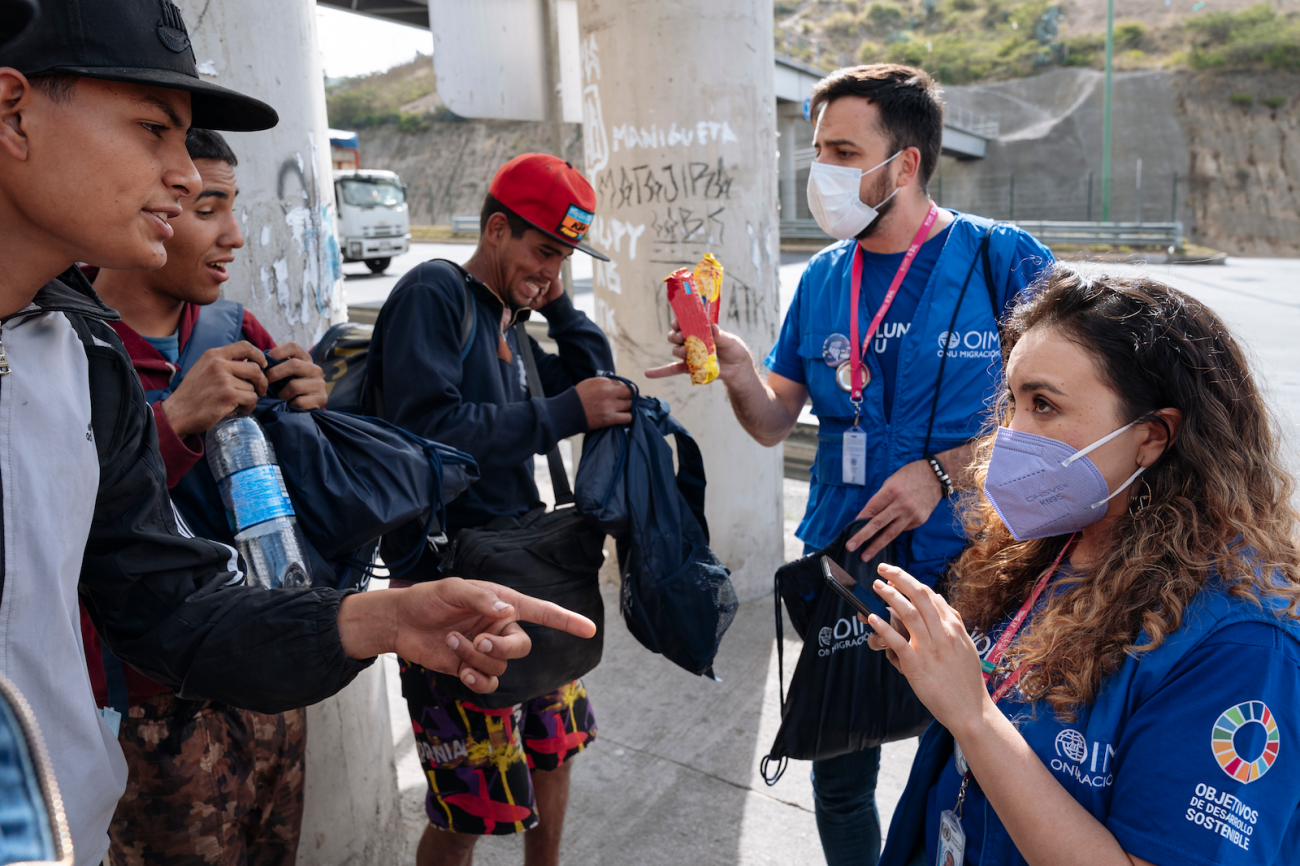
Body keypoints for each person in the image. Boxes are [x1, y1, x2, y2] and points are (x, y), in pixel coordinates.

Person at [0, 3, 595, 864]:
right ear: (14, 109)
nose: (180, 173)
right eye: (153, 129)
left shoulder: (77, 350)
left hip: (65, 835)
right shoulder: (433, 294)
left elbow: (168, 602)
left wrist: (377, 618)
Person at [649, 64, 1052, 864]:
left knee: (976, 770)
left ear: (903, 165)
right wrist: (736, 369)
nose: (821, 171)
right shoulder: (825, 279)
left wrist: (941, 471)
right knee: (837, 777)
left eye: (841, 150)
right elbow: (771, 423)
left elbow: (1071, 417)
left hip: (973, 565)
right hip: (848, 565)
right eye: (817, 149)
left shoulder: (1000, 262)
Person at [870, 269, 1300, 866]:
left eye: (1044, 405)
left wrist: (972, 715)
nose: (1011, 435)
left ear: (1151, 438)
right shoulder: (1056, 543)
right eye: (1014, 402)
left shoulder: (1243, 643)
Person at [363, 153, 631, 866]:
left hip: (530, 571)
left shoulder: (514, 315)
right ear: (495, 229)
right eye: (543, 249)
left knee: (555, 751)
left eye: (567, 257)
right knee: (471, 802)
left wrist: (560, 303)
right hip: (450, 586)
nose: (551, 269)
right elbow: (431, 430)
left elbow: (595, 381)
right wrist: (561, 414)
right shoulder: (436, 295)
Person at [79, 127, 329, 865]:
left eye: (232, 205)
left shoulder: (235, 331)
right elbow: (51, 519)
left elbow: (290, 498)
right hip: (153, 708)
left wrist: (316, 422)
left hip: (263, 669)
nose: (236, 235)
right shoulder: (71, 343)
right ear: (153, 205)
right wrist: (175, 421)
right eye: (208, 207)